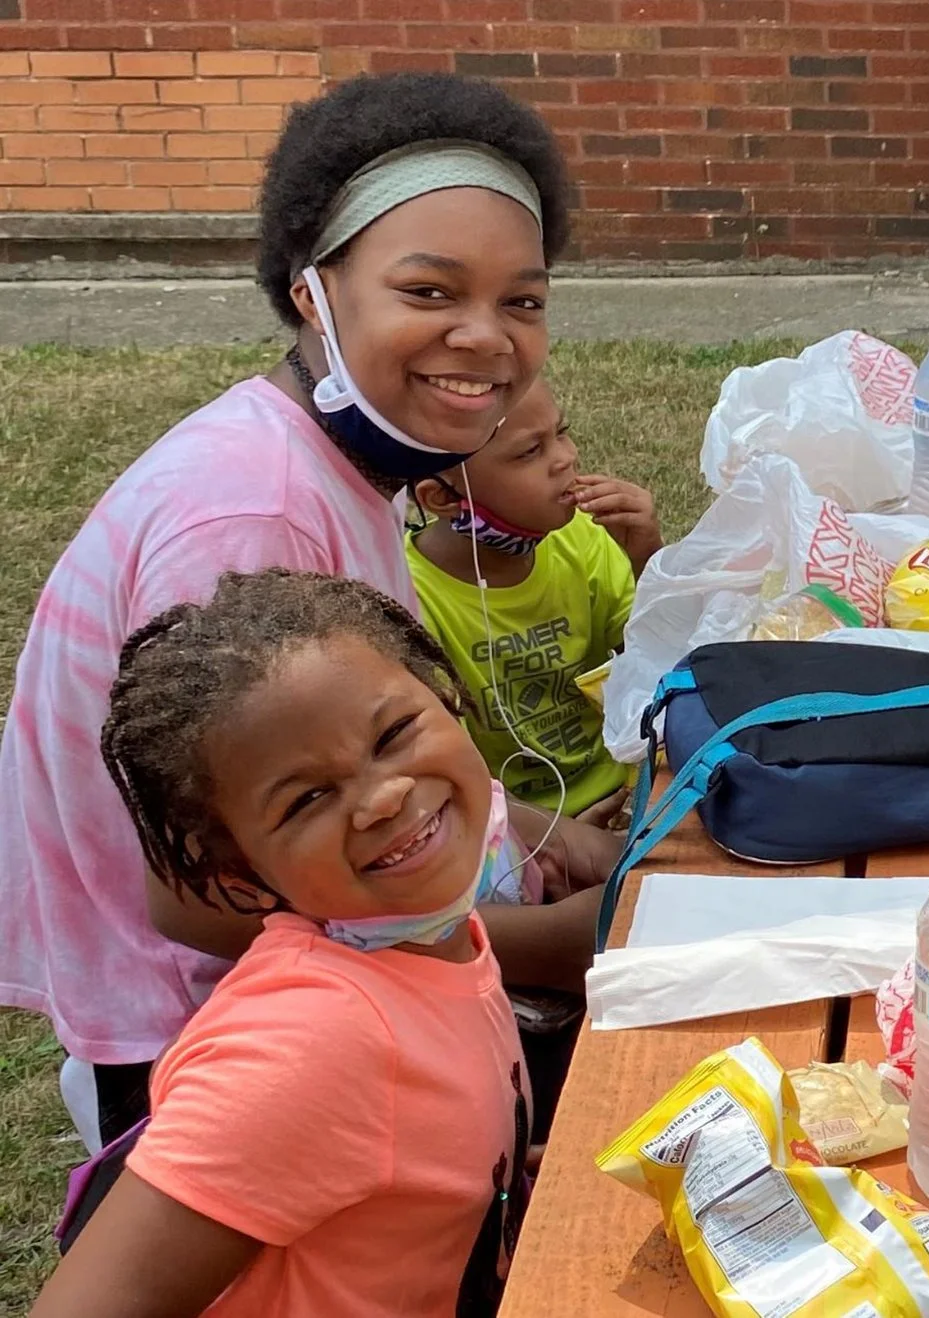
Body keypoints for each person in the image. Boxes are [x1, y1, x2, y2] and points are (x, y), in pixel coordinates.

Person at [0, 72, 615, 1152]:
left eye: (522, 298)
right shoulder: (248, 524)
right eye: (430, 291)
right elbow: (198, 901)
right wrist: (525, 943)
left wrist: (540, 830)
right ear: (311, 292)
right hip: (205, 1033)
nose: (487, 338)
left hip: (320, 970)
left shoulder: (338, 459)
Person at [33, 571, 544, 1318]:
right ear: (243, 875)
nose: (383, 797)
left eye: (395, 733)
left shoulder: (433, 932)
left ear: (444, 694)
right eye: (306, 799)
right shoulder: (309, 1041)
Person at [406, 376, 659, 820]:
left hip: (626, 790)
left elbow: (659, 665)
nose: (566, 458)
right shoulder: (412, 599)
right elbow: (442, 770)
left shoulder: (584, 539)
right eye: (529, 451)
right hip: (507, 827)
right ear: (443, 499)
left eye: (561, 432)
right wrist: (558, 837)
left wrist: (647, 559)